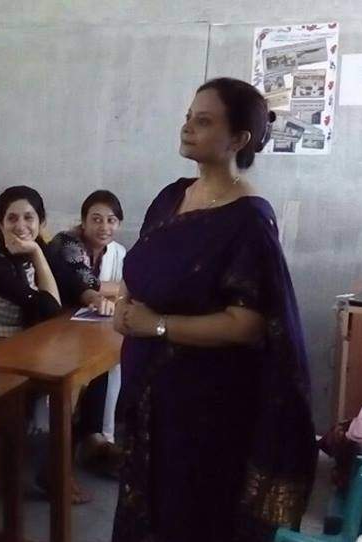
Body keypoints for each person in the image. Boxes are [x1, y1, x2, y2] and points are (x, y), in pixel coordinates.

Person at [112, 77, 316, 542]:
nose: (188, 128)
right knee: (144, 511)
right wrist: (124, 304)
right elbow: (140, 262)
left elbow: (247, 325)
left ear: (238, 139)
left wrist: (157, 325)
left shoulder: (248, 219)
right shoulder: (172, 195)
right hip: (150, 398)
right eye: (188, 117)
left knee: (191, 516)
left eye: (204, 121)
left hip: (204, 407)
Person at [47, 189, 127, 472]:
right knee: (88, 367)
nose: (104, 227)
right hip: (53, 327)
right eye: (96, 219)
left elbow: (127, 287)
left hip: (88, 326)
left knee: (110, 360)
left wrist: (104, 295)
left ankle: (97, 439)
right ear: (83, 222)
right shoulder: (66, 243)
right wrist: (99, 296)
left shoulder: (118, 253)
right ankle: (69, 455)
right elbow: (83, 283)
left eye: (111, 220)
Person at [0, 185, 61, 337]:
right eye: (12, 218)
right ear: (2, 225)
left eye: (28, 217)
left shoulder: (46, 252)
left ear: (42, 222)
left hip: (26, 342)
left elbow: (71, 288)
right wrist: (36, 252)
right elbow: (50, 310)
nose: (20, 226)